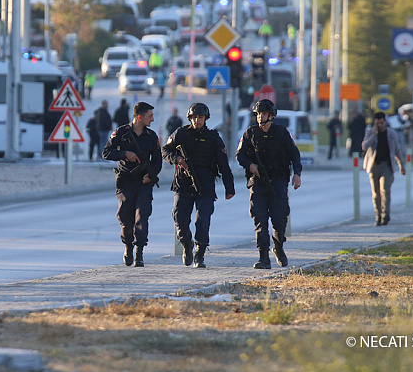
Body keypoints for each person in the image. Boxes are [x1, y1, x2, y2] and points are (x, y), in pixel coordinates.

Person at [162, 103, 235, 268]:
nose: (197, 120)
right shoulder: (180, 134)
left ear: (205, 119)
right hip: (183, 183)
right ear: (190, 118)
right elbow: (165, 151)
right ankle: (187, 245)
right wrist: (177, 159)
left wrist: (229, 188)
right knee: (180, 218)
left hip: (205, 184)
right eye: (194, 117)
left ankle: (200, 253)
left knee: (203, 220)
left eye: (200, 117)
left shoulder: (213, 137)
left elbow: (223, 164)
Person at [236, 99, 302, 269]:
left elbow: (294, 154)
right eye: (258, 114)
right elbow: (240, 155)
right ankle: (263, 256)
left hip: (278, 181)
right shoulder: (250, 133)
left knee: (279, 218)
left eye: (263, 114)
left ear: (271, 116)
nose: (260, 117)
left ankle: (278, 246)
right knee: (259, 218)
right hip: (258, 182)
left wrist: (297, 174)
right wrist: (251, 166)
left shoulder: (281, 133)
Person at [102, 101, 162, 267]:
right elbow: (106, 152)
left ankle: (139, 252)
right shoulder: (121, 133)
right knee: (126, 219)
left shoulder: (151, 137)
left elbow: (157, 162)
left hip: (144, 183)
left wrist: (151, 175)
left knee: (142, 217)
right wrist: (124, 153)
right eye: (150, 116)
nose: (153, 119)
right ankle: (128, 245)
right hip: (126, 182)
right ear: (140, 117)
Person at [362, 111, 406, 226]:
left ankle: (385, 214)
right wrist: (374, 135)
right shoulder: (370, 132)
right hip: (374, 166)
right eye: (377, 123)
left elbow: (397, 150)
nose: (380, 125)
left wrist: (401, 164)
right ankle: (378, 215)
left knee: (385, 190)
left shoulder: (391, 134)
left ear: (385, 122)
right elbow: (364, 146)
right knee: (376, 193)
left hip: (387, 165)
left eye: (381, 123)